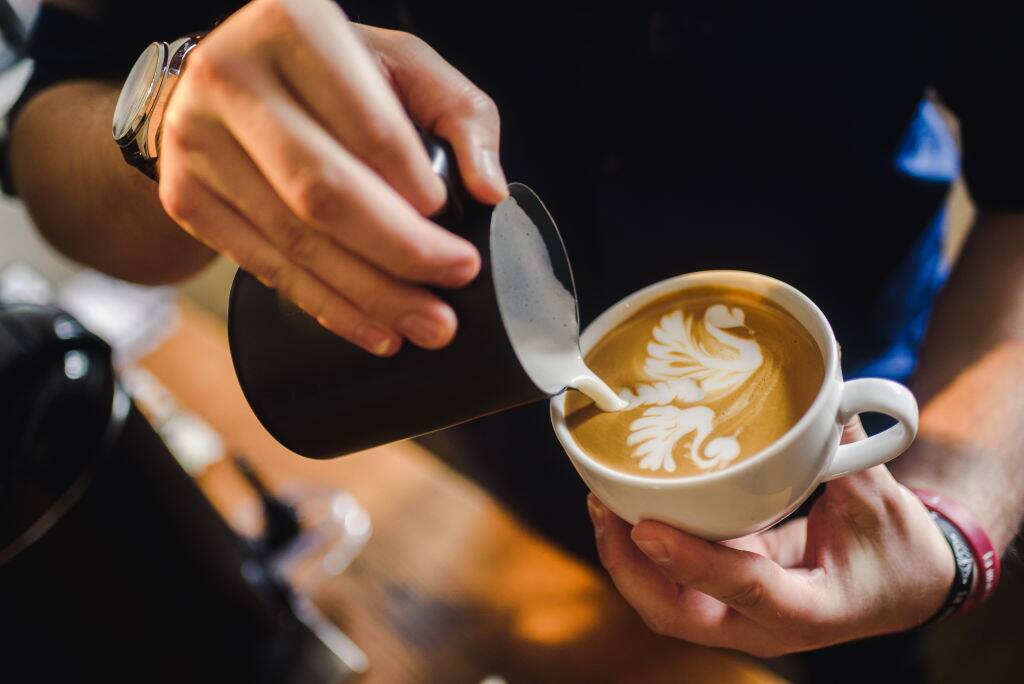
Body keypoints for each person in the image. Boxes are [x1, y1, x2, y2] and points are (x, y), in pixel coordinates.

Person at [4, 0, 1023, 670]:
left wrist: (953, 513)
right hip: (463, 426)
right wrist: (166, 114)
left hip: (885, 450)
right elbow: (54, 122)